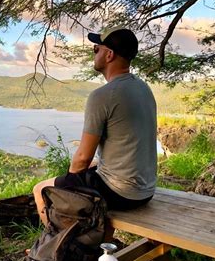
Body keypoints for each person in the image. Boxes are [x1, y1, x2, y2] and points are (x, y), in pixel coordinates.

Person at [33, 26, 157, 226]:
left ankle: (55, 248)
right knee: (91, 170)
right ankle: (93, 245)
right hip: (145, 191)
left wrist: (70, 189)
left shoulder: (102, 96)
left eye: (96, 49)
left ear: (109, 55)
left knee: (40, 189)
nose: (94, 53)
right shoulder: (143, 89)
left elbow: (82, 159)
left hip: (121, 193)